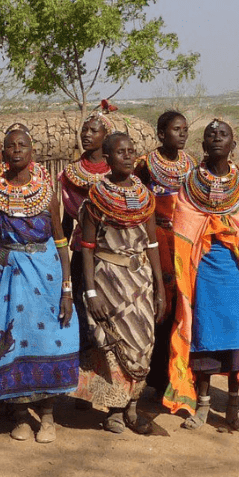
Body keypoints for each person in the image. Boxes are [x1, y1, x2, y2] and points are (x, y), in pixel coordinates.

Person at [0, 123, 79, 444]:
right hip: (9, 282)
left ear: (31, 152)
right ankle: (19, 416)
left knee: (47, 339)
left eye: (21, 146)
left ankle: (49, 416)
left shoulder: (47, 196)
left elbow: (61, 243)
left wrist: (67, 292)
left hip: (48, 279)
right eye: (9, 146)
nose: (14, 151)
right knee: (12, 342)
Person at [164, 119, 239, 432]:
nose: (217, 138)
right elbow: (184, 227)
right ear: (202, 145)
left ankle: (231, 406)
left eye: (223, 134)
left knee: (236, 339)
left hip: (238, 271)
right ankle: (201, 405)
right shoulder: (189, 183)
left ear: (233, 144)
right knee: (202, 336)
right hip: (201, 269)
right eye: (211, 135)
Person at [71, 132, 165, 434]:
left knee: (142, 344)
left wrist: (160, 289)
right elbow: (86, 248)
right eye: (119, 152)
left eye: (130, 150)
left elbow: (152, 246)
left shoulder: (145, 197)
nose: (126, 156)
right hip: (108, 279)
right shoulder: (97, 197)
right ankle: (113, 409)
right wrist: (90, 292)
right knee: (111, 346)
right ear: (108, 158)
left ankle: (133, 407)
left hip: (140, 281)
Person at [134, 111, 197, 395]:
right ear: (161, 134)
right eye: (176, 129)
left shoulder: (192, 166)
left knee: (182, 308)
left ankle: (176, 375)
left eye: (185, 129)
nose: (182, 134)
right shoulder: (144, 166)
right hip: (154, 240)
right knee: (157, 306)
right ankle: (154, 376)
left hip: (183, 241)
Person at [59, 105, 112, 410]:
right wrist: (59, 261)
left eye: (94, 130)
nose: (87, 134)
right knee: (83, 318)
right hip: (82, 254)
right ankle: (83, 390)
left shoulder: (118, 170)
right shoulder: (70, 175)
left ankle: (113, 386)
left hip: (113, 255)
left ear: (107, 136)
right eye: (85, 130)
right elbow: (66, 224)